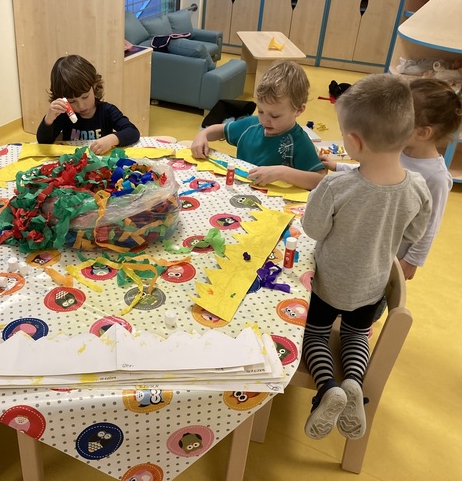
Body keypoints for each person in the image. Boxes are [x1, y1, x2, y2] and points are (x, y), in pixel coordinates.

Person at [300, 74, 431, 441]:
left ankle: (328, 387)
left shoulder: (336, 185)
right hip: (372, 288)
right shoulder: (418, 187)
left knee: (315, 335)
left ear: (354, 142)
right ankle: (354, 382)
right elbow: (414, 234)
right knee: (357, 335)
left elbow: (313, 230)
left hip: (328, 285)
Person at [321, 78, 462, 281]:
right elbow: (374, 169)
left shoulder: (436, 177)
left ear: (423, 132)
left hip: (394, 252)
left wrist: (412, 261)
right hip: (373, 236)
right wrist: (339, 167)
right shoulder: (398, 148)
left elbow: (430, 226)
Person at [190, 60, 326, 190]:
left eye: (275, 116)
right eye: (261, 111)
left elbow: (320, 181)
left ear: (299, 110)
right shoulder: (251, 125)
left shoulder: (299, 141)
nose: (265, 120)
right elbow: (221, 130)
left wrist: (283, 172)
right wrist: (203, 135)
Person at [36, 55, 140, 154]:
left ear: (94, 86)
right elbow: (43, 142)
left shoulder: (107, 111)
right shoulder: (64, 115)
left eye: (85, 97)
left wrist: (111, 139)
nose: (81, 106)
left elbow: (132, 131)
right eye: (72, 101)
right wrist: (49, 119)